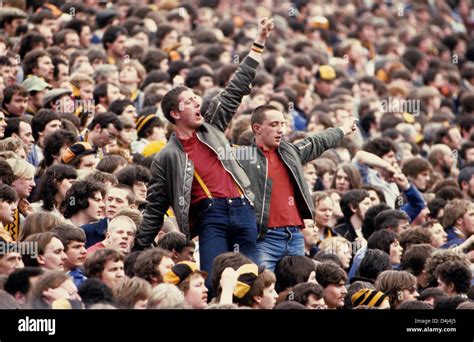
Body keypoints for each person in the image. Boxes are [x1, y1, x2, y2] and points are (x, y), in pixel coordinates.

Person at [134, 19, 275, 287]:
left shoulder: (213, 126)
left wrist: (259, 43)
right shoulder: (166, 156)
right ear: (175, 114)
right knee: (213, 280)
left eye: (196, 97)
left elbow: (235, 90)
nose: (197, 101)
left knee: (253, 280)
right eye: (189, 101)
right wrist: (138, 250)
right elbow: (155, 208)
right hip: (211, 215)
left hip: (243, 208)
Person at [237, 103, 357, 271]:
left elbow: (317, 141)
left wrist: (342, 129)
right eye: (274, 125)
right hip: (264, 238)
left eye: (282, 124)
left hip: (295, 236)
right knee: (262, 288)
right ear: (257, 128)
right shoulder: (242, 158)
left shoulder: (290, 152)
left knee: (298, 290)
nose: (281, 130)